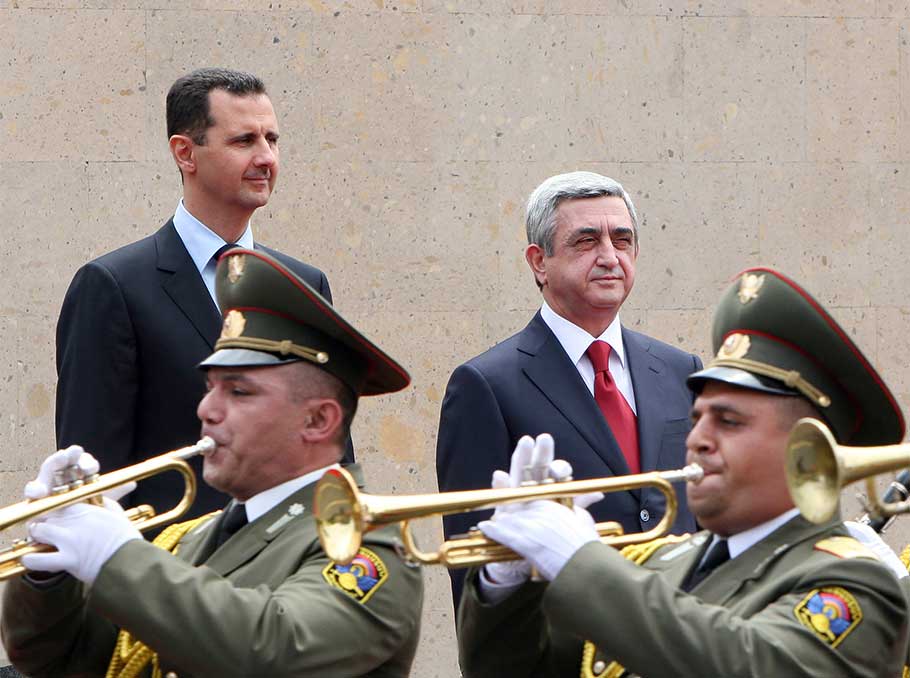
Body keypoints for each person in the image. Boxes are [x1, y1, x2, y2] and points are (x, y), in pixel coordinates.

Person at [457, 267, 910, 678]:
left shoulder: (855, 587)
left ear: (807, 451)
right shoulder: (657, 563)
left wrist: (578, 558)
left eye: (728, 422)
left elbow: (750, 664)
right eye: (696, 420)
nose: (697, 440)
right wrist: (507, 584)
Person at [3, 249, 422, 678]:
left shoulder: (367, 549)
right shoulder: (191, 539)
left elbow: (273, 652)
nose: (206, 409)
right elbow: (59, 661)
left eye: (238, 392)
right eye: (210, 388)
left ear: (318, 419)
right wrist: (49, 571)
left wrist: (115, 555)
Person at [55, 67, 350, 525]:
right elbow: (95, 477)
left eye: (272, 139)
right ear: (185, 153)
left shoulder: (305, 283)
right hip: (168, 582)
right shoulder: (112, 286)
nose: (266, 157)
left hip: (292, 580)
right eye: (244, 141)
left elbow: (330, 449)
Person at [436, 171, 701, 604]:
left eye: (622, 239)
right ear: (540, 262)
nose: (610, 257)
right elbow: (474, 578)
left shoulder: (680, 369)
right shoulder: (484, 385)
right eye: (586, 241)